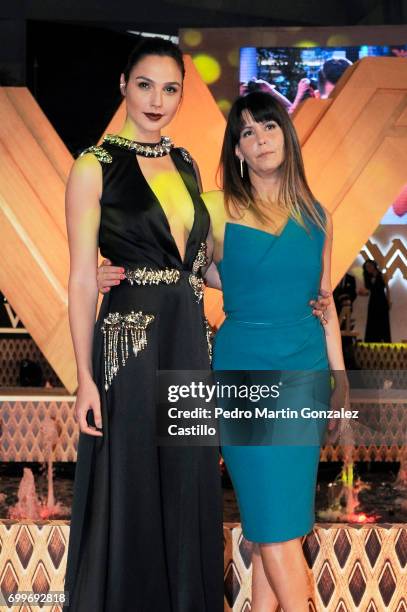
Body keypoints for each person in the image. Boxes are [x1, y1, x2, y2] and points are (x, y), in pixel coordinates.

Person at [98, 91, 344, 611]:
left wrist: (339, 379)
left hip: (307, 373)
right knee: (274, 527)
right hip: (244, 371)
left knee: (275, 526)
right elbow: (161, 253)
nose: (260, 140)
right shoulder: (215, 208)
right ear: (237, 149)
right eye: (247, 132)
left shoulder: (318, 215)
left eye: (269, 127)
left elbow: (324, 305)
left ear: (286, 136)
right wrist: (111, 272)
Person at [64, 37, 224, 612]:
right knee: (130, 481)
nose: (158, 100)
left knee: (186, 480)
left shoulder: (186, 164)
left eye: (171, 88)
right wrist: (83, 377)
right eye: (145, 85)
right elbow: (83, 277)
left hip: (187, 338)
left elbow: (200, 265)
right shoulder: (94, 165)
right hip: (128, 344)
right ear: (124, 86)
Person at [360, 259, 392, 342]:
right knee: (372, 321)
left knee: (383, 321)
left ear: (374, 266)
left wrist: (389, 301)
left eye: (369, 266)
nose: (368, 268)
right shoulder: (367, 277)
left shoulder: (382, 275)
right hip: (373, 301)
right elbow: (368, 291)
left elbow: (387, 289)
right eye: (366, 267)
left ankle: (384, 341)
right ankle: (372, 341)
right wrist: (361, 292)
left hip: (382, 300)